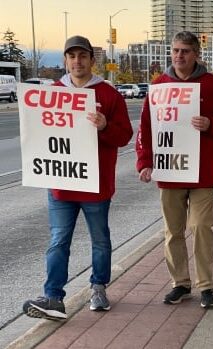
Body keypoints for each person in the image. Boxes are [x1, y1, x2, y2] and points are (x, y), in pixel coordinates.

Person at [22, 35, 133, 320]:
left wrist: (105, 125)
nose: (77, 61)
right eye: (72, 56)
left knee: (100, 240)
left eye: (82, 56)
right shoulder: (53, 93)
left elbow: (125, 136)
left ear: (91, 60)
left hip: (95, 183)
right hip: (62, 184)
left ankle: (98, 287)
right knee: (58, 240)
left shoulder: (108, 95)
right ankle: (53, 297)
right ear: (65, 61)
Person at [135, 31, 213, 308]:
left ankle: (206, 285)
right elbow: (146, 127)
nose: (179, 56)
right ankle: (180, 283)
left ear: (196, 54)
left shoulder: (212, 85)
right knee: (173, 231)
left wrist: (211, 124)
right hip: (170, 171)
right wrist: (145, 161)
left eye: (185, 51)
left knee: (201, 226)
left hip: (203, 171)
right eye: (176, 50)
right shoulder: (159, 85)